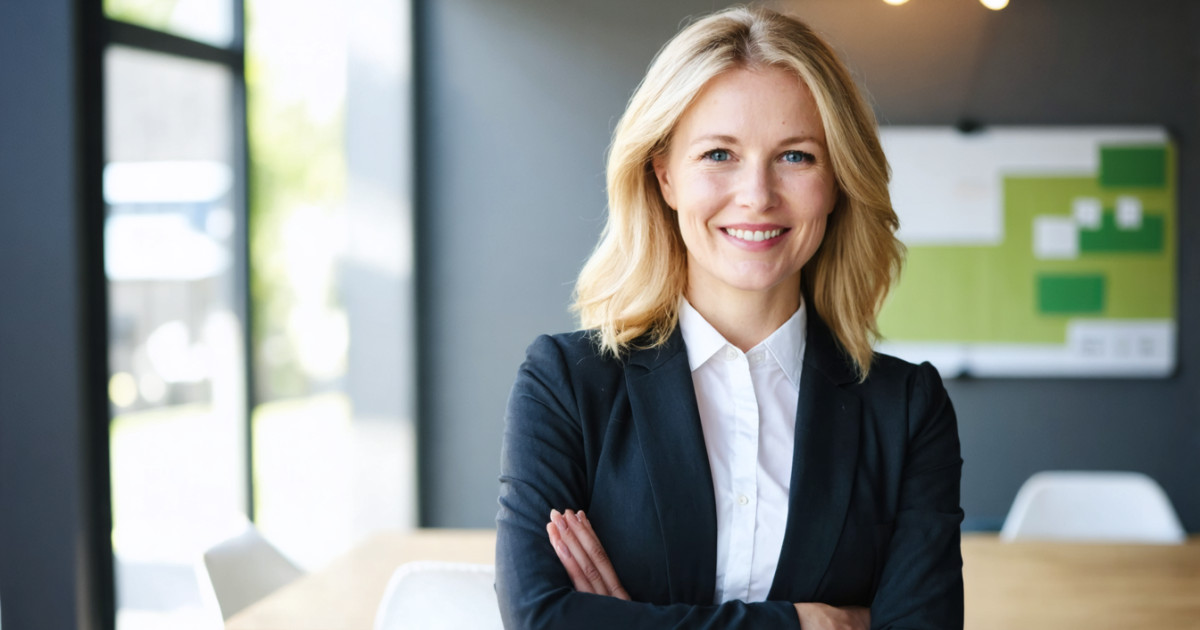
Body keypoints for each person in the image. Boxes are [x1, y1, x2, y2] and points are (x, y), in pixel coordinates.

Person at [495, 6, 963, 629]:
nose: (757, 196)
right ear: (665, 176)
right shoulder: (566, 385)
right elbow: (541, 619)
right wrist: (812, 624)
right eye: (719, 154)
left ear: (837, 179)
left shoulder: (906, 410)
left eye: (796, 157)